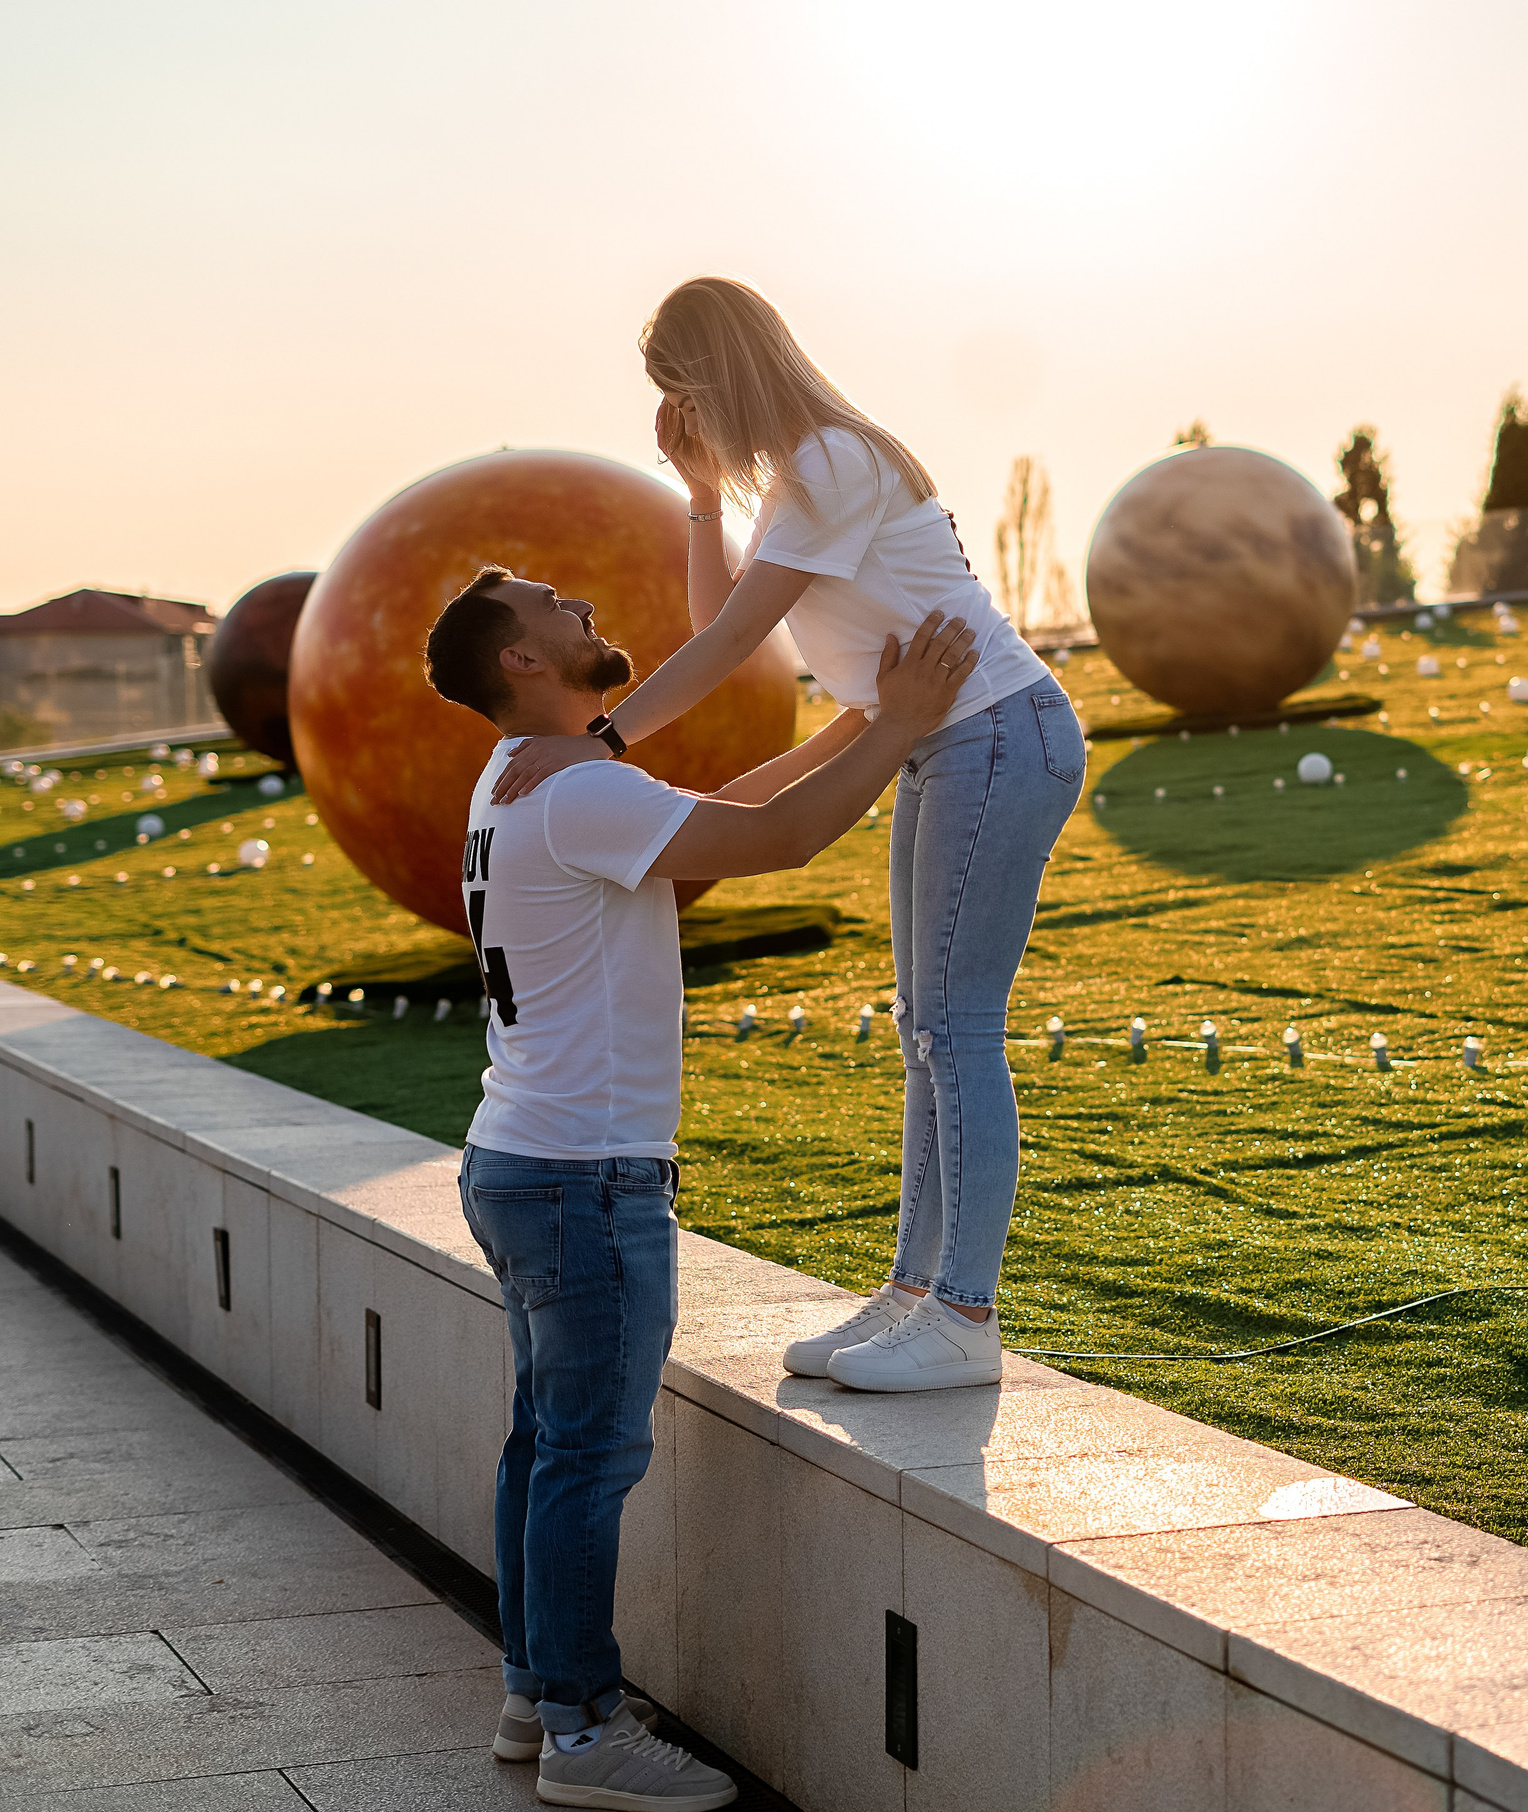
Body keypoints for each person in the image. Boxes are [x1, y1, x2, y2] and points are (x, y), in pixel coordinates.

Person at [428, 565, 978, 1810]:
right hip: (580, 1180)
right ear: (519, 662)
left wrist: (856, 724)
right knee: (585, 1458)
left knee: (545, 1444)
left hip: (519, 1162)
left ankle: (535, 1692)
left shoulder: (521, 778)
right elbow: (775, 842)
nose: (580, 607)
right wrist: (896, 728)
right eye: (551, 608)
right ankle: (581, 1732)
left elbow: (714, 808)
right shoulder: (575, 792)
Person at [490, 276, 1082, 1394]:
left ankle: (963, 1313)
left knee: (955, 1032)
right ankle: (916, 1293)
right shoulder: (806, 480)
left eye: (679, 393)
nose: (679, 413)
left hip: (998, 731)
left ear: (711, 375)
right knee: (926, 1029)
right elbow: (727, 625)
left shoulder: (834, 464)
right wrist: (701, 492)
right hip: (946, 740)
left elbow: (721, 651)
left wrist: (599, 742)